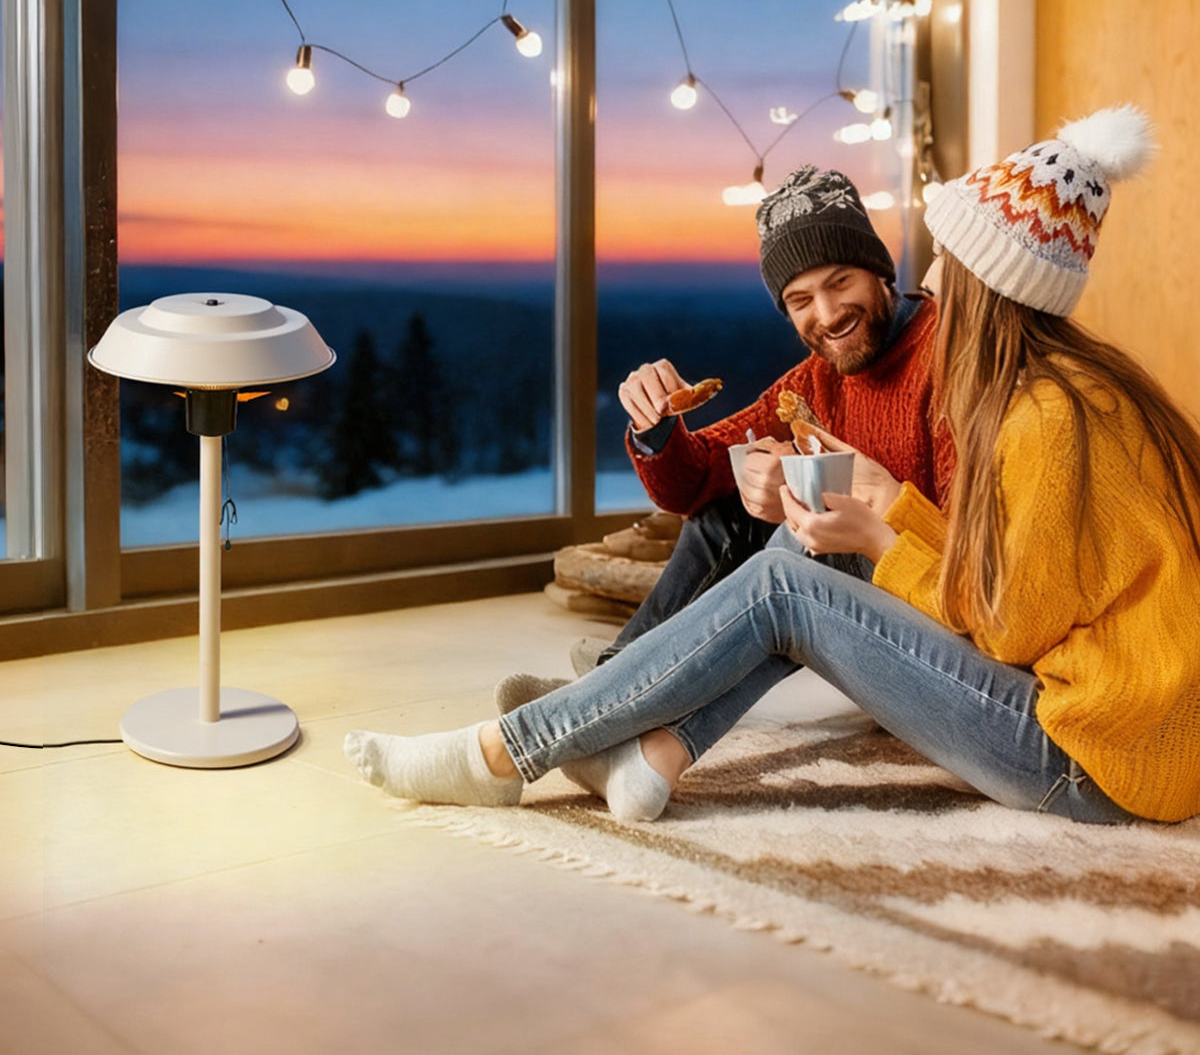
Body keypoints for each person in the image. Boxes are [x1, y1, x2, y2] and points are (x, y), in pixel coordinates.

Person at [346, 106, 1200, 827]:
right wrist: (666, 436)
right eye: (800, 298)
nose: (931, 281)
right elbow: (707, 479)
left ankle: (508, 751)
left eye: (944, 264)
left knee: (787, 581)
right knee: (790, 555)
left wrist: (882, 523)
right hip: (1104, 731)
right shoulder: (1071, 389)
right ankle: (649, 752)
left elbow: (1010, 626)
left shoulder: (1041, 414)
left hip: (1091, 759)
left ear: (983, 287)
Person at [573, 163, 954, 675]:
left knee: (793, 532)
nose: (827, 313)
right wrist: (655, 425)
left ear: (878, 271)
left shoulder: (948, 353)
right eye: (800, 301)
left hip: (929, 615)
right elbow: (693, 483)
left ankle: (620, 687)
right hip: (851, 598)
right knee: (723, 512)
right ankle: (622, 674)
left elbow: (965, 541)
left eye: (840, 282)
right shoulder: (813, 381)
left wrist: (826, 497)